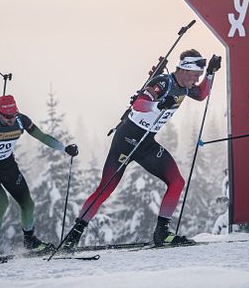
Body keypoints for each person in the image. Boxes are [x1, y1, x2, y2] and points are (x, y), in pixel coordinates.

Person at [61, 49, 221, 250]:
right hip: (127, 140)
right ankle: (73, 236)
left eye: (199, 77)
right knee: (106, 188)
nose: (197, 81)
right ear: (185, 70)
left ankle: (162, 233)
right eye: (196, 76)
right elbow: (139, 104)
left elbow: (201, 95)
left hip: (146, 144)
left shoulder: (186, 87)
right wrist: (159, 105)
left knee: (177, 181)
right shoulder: (163, 83)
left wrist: (210, 73)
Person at [0, 94, 78, 260]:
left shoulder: (21, 120)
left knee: (28, 204)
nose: (11, 120)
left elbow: (42, 137)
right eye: (7, 117)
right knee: (1, 203)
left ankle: (30, 240)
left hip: (8, 166)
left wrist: (64, 148)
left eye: (14, 115)